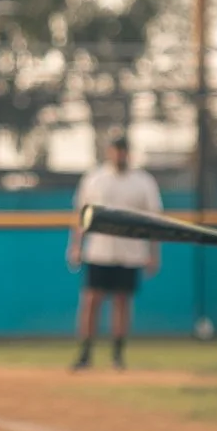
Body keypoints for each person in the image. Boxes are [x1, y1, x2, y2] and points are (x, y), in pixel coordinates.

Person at [67, 131, 161, 371]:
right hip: (100, 251)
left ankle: (117, 355)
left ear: (128, 153)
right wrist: (75, 246)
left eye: (124, 149)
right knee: (91, 300)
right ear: (109, 152)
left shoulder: (143, 181)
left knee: (122, 301)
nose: (120, 154)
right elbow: (81, 215)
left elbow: (154, 220)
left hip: (130, 252)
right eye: (116, 149)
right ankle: (85, 353)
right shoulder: (95, 179)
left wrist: (154, 254)